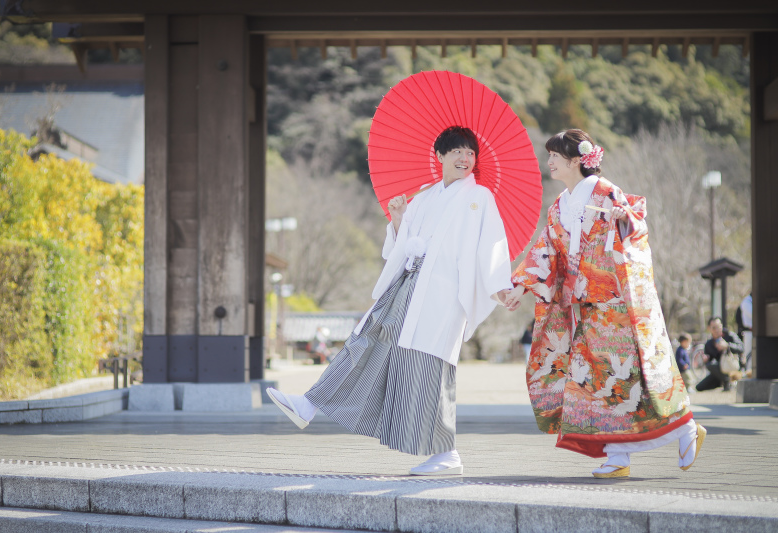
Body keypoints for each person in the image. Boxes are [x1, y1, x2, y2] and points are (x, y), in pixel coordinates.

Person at [266, 126, 514, 476]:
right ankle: (310, 403)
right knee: (366, 339)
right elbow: (399, 247)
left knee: (430, 366)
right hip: (407, 285)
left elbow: (492, 245)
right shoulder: (425, 197)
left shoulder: (480, 198)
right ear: (439, 156)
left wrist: (500, 286)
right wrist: (398, 220)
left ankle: (447, 452)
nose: (465, 158)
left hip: (444, 296)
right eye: (457, 151)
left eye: (470, 153)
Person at [504, 129, 705, 478]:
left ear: (577, 160)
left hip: (614, 303)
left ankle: (685, 427)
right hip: (583, 308)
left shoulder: (606, 192)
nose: (549, 161)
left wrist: (623, 219)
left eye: (555, 156)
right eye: (549, 155)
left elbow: (636, 223)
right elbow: (546, 248)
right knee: (601, 380)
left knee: (633, 375)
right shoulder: (560, 205)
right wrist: (521, 285)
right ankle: (617, 455)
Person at [696, 316, 744, 392]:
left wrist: (727, 346)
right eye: (713, 328)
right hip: (719, 372)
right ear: (709, 329)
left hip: (732, 367)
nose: (716, 330)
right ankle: (725, 382)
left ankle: (728, 383)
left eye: (718, 327)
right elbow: (710, 362)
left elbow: (741, 348)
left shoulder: (730, 335)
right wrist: (705, 359)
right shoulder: (709, 343)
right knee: (699, 387)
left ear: (722, 326)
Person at [736, 293, 753, 372]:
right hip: (748, 331)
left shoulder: (750, 301)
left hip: (753, 332)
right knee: (749, 354)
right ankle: (748, 371)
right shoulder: (747, 302)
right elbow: (753, 315)